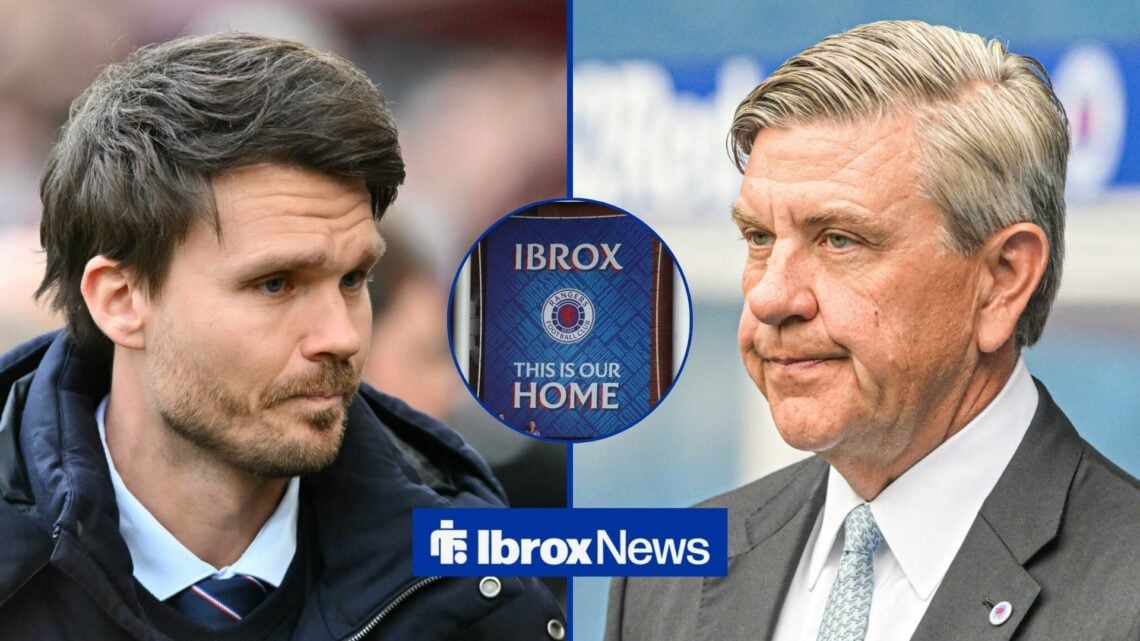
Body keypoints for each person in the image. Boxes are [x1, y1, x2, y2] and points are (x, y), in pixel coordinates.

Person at [0, 33, 564, 640]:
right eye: (275, 285)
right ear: (121, 300)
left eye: (354, 280)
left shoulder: (476, 595)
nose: (340, 336)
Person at [606, 20, 1140, 641]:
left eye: (839, 239)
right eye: (759, 238)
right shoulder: (664, 581)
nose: (772, 296)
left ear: (1002, 279)